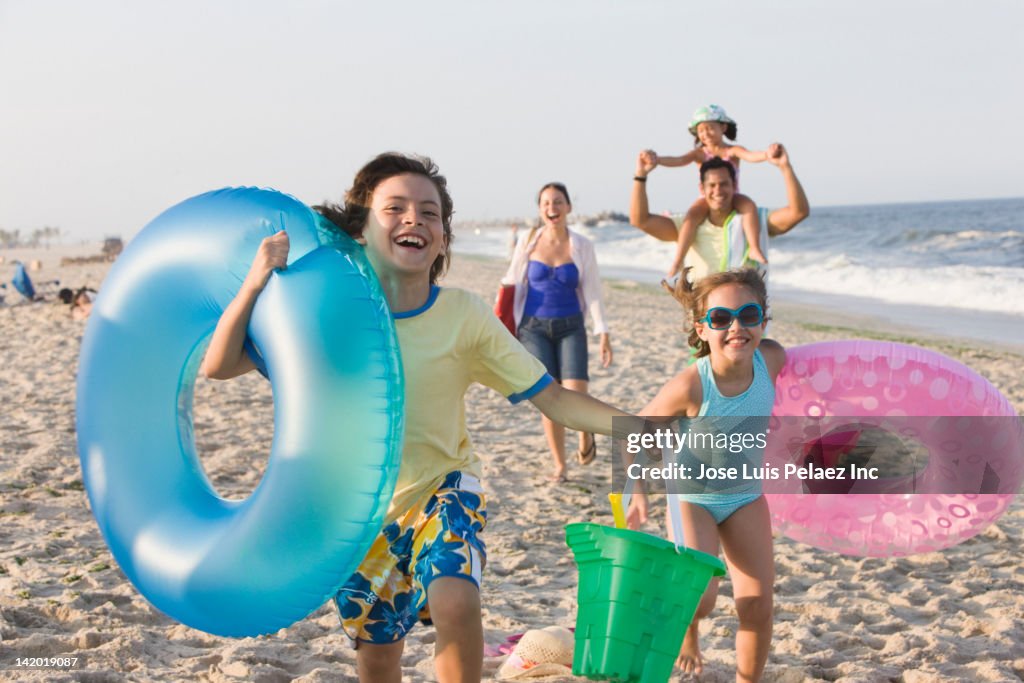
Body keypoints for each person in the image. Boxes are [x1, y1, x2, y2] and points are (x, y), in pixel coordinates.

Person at [201, 153, 644, 683]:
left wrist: (633, 426)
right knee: (378, 653)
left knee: (458, 602)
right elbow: (220, 365)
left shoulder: (463, 315)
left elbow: (552, 398)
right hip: (359, 514)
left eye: (430, 213)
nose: (415, 219)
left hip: (445, 487)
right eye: (395, 208)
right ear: (361, 229)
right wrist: (255, 283)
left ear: (442, 238)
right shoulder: (328, 315)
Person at [627, 268, 785, 682]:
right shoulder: (691, 386)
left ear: (763, 322)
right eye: (720, 319)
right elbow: (635, 434)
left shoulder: (772, 359)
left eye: (748, 315)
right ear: (702, 329)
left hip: (745, 497)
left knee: (757, 604)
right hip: (692, 499)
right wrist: (637, 489)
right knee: (700, 600)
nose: (736, 327)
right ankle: (688, 633)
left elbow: (820, 369)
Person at [501, 182, 612, 482]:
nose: (553, 208)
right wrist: (500, 325)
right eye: (547, 203)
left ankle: (585, 430)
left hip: (571, 326)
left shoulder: (582, 246)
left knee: (577, 393)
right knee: (549, 398)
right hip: (533, 328)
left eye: (558, 202)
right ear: (540, 209)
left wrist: (603, 331)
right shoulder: (527, 241)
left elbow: (593, 291)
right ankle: (560, 465)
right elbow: (511, 281)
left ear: (568, 207)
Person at [630, 142, 809, 283]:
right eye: (712, 185)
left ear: (734, 185)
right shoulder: (688, 225)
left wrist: (785, 167)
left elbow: (798, 212)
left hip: (745, 321)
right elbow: (641, 220)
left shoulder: (753, 220)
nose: (718, 191)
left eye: (724, 184)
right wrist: (641, 175)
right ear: (702, 188)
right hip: (705, 322)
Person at [653, 105, 774, 277]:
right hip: (707, 198)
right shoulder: (699, 153)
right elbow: (679, 160)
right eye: (701, 130)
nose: (706, 134)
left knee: (749, 206)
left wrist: (767, 154)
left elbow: (750, 156)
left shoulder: (732, 150)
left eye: (710, 128)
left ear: (723, 127)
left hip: (732, 195)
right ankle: (678, 260)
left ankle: (754, 248)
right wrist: (657, 160)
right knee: (691, 218)